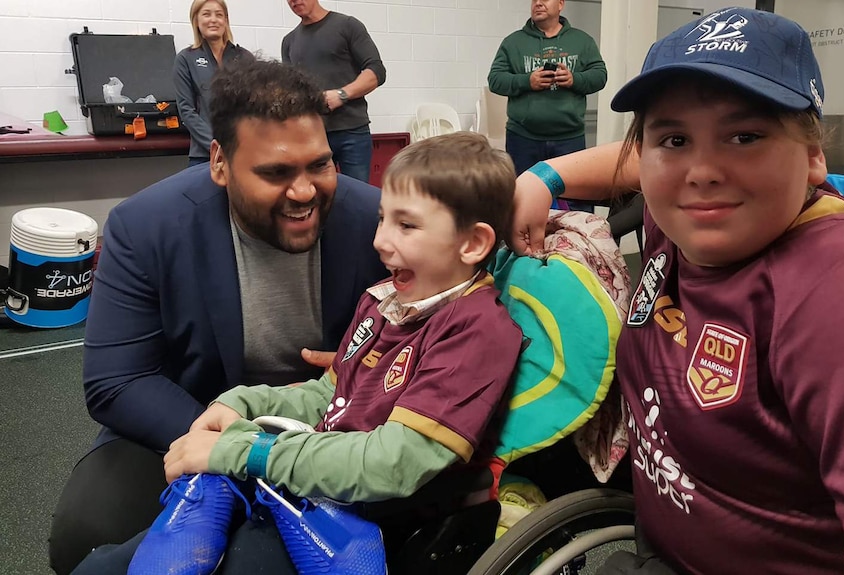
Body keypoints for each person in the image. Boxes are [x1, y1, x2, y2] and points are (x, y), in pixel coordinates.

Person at [70, 131, 524, 574]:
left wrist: (250, 452)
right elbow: (331, 394)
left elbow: (394, 464)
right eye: (383, 218)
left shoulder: (475, 331)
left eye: (405, 225)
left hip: (378, 511)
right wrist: (244, 401)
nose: (380, 240)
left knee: (245, 559)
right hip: (313, 481)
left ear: (473, 244)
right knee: (109, 564)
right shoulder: (384, 300)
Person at [510, 7, 844, 575]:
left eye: (744, 135)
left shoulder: (833, 294)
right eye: (674, 138)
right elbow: (634, 164)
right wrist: (544, 175)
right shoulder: (678, 217)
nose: (701, 170)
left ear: (814, 154)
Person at [48, 59, 389, 575]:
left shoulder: (377, 223)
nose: (304, 192)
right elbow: (116, 381)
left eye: (319, 164)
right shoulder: (145, 227)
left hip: (324, 427)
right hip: (190, 412)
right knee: (86, 534)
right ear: (220, 164)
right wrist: (230, 444)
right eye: (275, 172)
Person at [488, 0, 606, 212]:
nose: (538, 3)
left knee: (576, 203)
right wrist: (527, 81)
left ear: (560, 4)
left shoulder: (582, 41)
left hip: (569, 139)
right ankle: (524, 246)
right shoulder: (513, 42)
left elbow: (600, 76)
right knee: (522, 203)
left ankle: (576, 244)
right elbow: (495, 80)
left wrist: (574, 79)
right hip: (523, 139)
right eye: (534, 0)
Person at [282, 0, 386, 183]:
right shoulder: (289, 42)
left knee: (355, 196)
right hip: (312, 136)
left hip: (352, 133)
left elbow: (376, 72)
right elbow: (291, 89)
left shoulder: (347, 26)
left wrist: (342, 95)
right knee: (317, 199)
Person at [174, 0, 253, 167]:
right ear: (196, 20)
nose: (213, 19)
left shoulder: (244, 57)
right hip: (204, 155)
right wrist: (216, 145)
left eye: (219, 14)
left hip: (243, 152)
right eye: (206, 14)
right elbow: (186, 110)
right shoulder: (185, 59)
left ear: (226, 20)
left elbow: (254, 106)